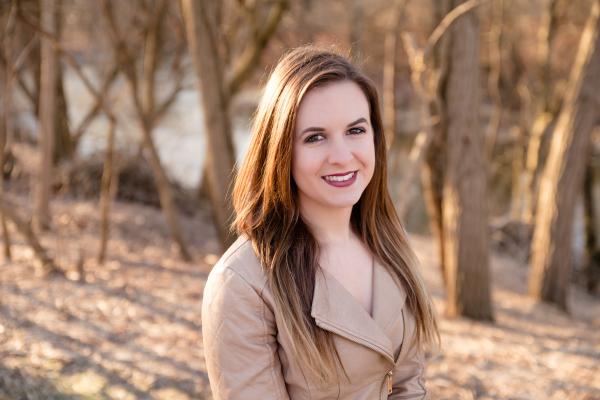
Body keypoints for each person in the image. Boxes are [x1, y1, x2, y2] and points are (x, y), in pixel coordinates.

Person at [201, 46, 439, 399]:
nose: (343, 157)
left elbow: (409, 383)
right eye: (315, 137)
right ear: (280, 151)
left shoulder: (388, 241)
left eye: (356, 131)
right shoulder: (242, 284)